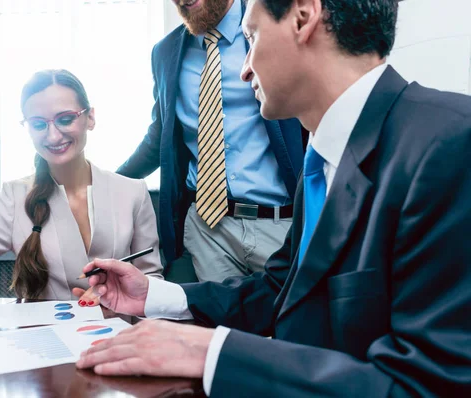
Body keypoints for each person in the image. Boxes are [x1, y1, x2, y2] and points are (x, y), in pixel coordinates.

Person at [74, 0, 471, 396]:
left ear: (303, 17)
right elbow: (280, 290)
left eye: (251, 37)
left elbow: (426, 385)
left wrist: (213, 352)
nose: (245, 68)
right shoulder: (322, 163)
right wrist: (154, 295)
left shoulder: (450, 145)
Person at [0, 69, 163, 337]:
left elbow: (153, 282)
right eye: (38, 124)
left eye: (65, 119)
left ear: (90, 118)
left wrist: (129, 296)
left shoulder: (133, 192)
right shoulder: (14, 197)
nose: (52, 135)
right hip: (45, 353)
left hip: (122, 346)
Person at [117, 0, 306, 283]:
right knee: (218, 324)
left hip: (282, 224)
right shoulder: (165, 52)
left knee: (291, 321)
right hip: (208, 228)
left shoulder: (272, 25)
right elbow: (160, 137)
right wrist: (105, 182)